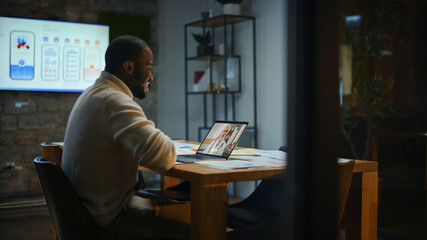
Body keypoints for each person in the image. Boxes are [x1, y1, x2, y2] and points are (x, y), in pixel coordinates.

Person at [61, 35, 189, 239]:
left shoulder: (92, 93)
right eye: (148, 67)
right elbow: (162, 158)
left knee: (177, 207)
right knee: (192, 224)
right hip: (109, 220)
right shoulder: (113, 100)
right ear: (129, 68)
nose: (151, 76)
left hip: (85, 215)